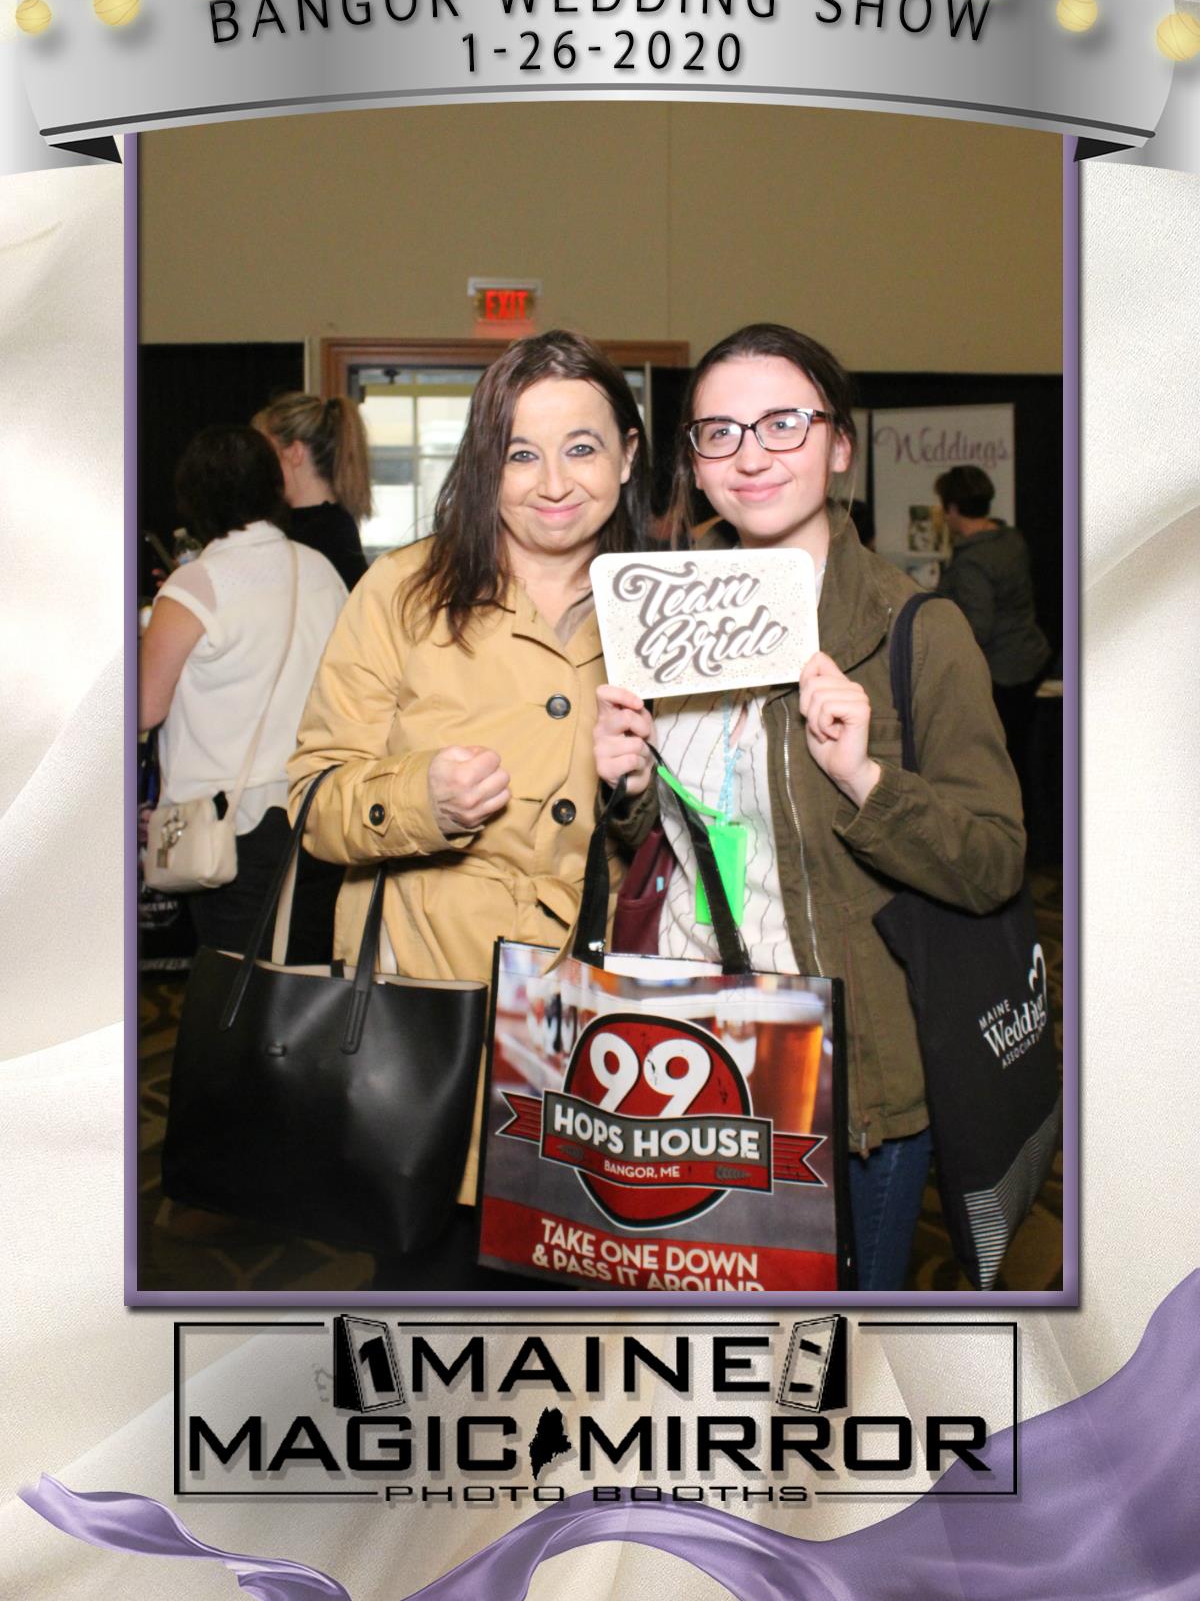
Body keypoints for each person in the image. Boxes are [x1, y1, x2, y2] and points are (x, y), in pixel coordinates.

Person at [594, 323, 1026, 1290]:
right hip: (685, 1063)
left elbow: (994, 859)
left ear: (839, 446)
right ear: (695, 467)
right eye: (719, 432)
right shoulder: (661, 622)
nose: (750, 453)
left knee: (829, 1380)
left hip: (842, 1080)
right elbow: (677, 841)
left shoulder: (919, 629)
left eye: (782, 423)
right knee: (705, 1361)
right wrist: (624, 787)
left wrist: (867, 780)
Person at [287, 329, 650, 1286]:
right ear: (484, 464)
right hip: (433, 1042)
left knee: (581, 1360)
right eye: (519, 453)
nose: (552, 481)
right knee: (430, 1339)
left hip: (611, 1052)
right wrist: (422, 800)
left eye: (581, 447)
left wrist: (638, 797)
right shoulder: (404, 593)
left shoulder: (671, 604)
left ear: (628, 454)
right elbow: (315, 797)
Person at [139, 426, 348, 961]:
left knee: (233, 994)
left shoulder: (195, 586)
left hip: (231, 824)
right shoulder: (319, 568)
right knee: (305, 985)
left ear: (193, 498)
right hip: (318, 810)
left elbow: (143, 707)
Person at [934, 464, 1051, 805]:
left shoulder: (972, 561)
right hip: (1031, 657)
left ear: (953, 508)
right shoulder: (1011, 539)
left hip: (1004, 673)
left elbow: (976, 627)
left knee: (1002, 763)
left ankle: (1013, 835)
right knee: (1021, 756)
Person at [254, 391, 372, 590]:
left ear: (295, 453)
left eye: (268, 452)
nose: (261, 464)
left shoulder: (319, 535)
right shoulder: (334, 527)